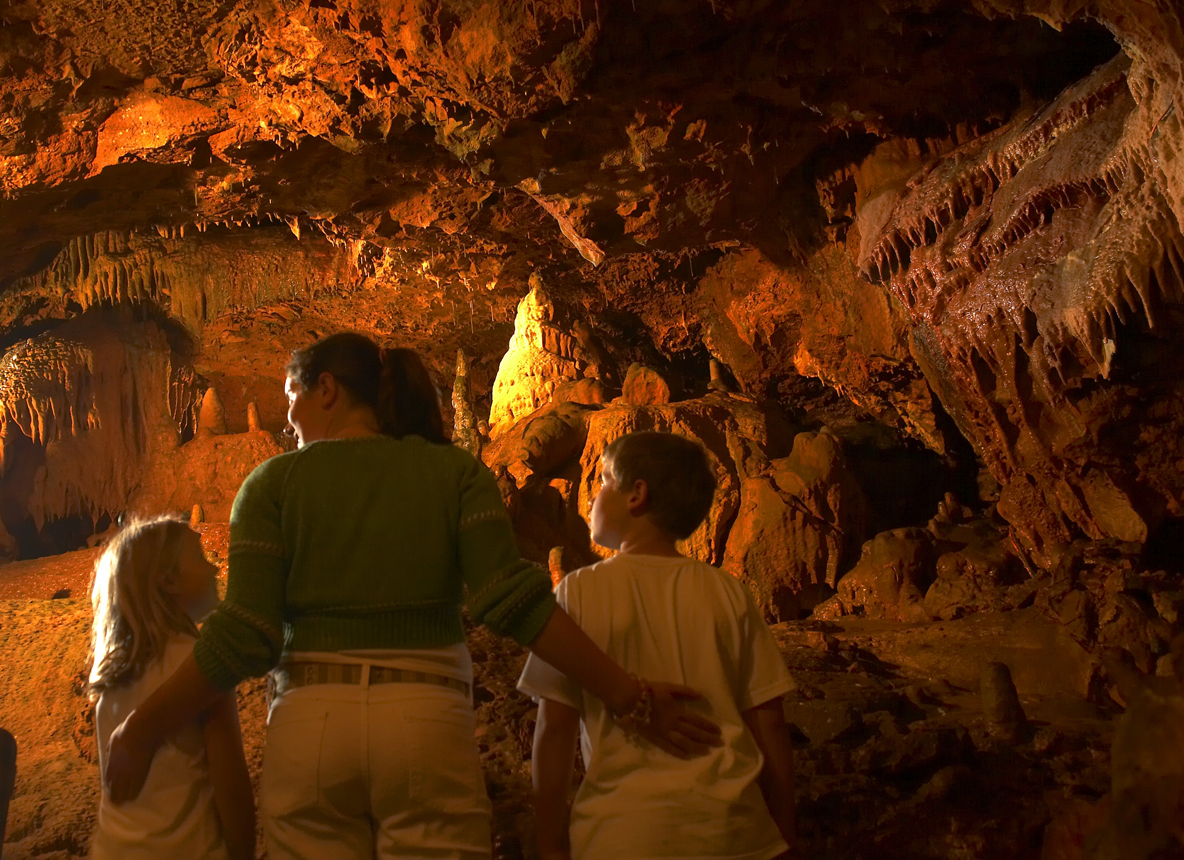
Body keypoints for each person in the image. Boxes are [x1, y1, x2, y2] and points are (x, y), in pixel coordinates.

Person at [103, 333, 724, 859]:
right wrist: (630, 695)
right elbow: (515, 603)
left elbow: (245, 636)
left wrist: (139, 727)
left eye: (292, 399)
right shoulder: (453, 474)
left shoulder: (272, 486)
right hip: (425, 718)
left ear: (326, 390)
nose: (288, 419)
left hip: (311, 722)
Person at [519, 431, 799, 860]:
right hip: (735, 833)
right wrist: (784, 833)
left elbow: (554, 731)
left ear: (636, 495)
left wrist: (549, 844)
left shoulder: (578, 591)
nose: (592, 497)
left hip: (624, 834)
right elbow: (769, 725)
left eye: (602, 483)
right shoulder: (728, 592)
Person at [85, 516, 254, 860]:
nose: (215, 569)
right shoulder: (199, 667)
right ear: (168, 580)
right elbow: (230, 785)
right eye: (201, 557)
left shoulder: (113, 673)